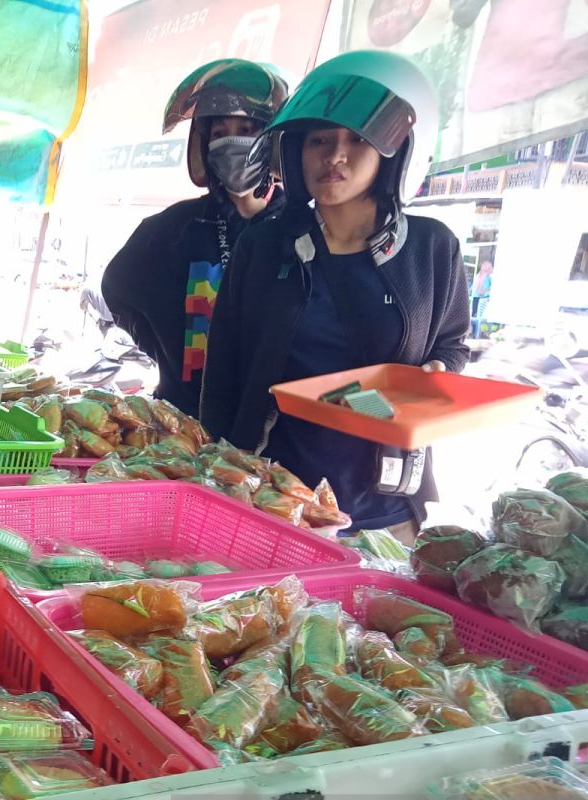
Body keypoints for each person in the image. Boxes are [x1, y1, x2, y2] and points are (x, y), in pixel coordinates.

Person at [201, 51, 470, 544]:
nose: (335, 157)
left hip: (384, 505)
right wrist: (218, 475)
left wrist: (439, 374)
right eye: (320, 140)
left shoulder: (432, 247)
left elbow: (453, 345)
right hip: (275, 497)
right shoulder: (263, 245)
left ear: (394, 153)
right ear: (297, 151)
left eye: (358, 141)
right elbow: (224, 366)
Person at [102, 60, 289, 418]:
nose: (233, 141)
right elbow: (115, 287)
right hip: (183, 425)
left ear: (273, 139)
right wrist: (166, 351)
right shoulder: (172, 228)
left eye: (248, 128)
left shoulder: (301, 232)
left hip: (270, 436)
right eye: (220, 132)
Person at [471, 260, 492, 337]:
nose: (492, 269)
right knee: (475, 317)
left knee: (484, 317)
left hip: (485, 299)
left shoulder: (489, 278)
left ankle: (483, 333)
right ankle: (475, 334)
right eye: (490, 267)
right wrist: (487, 290)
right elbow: (479, 291)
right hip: (478, 299)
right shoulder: (479, 277)